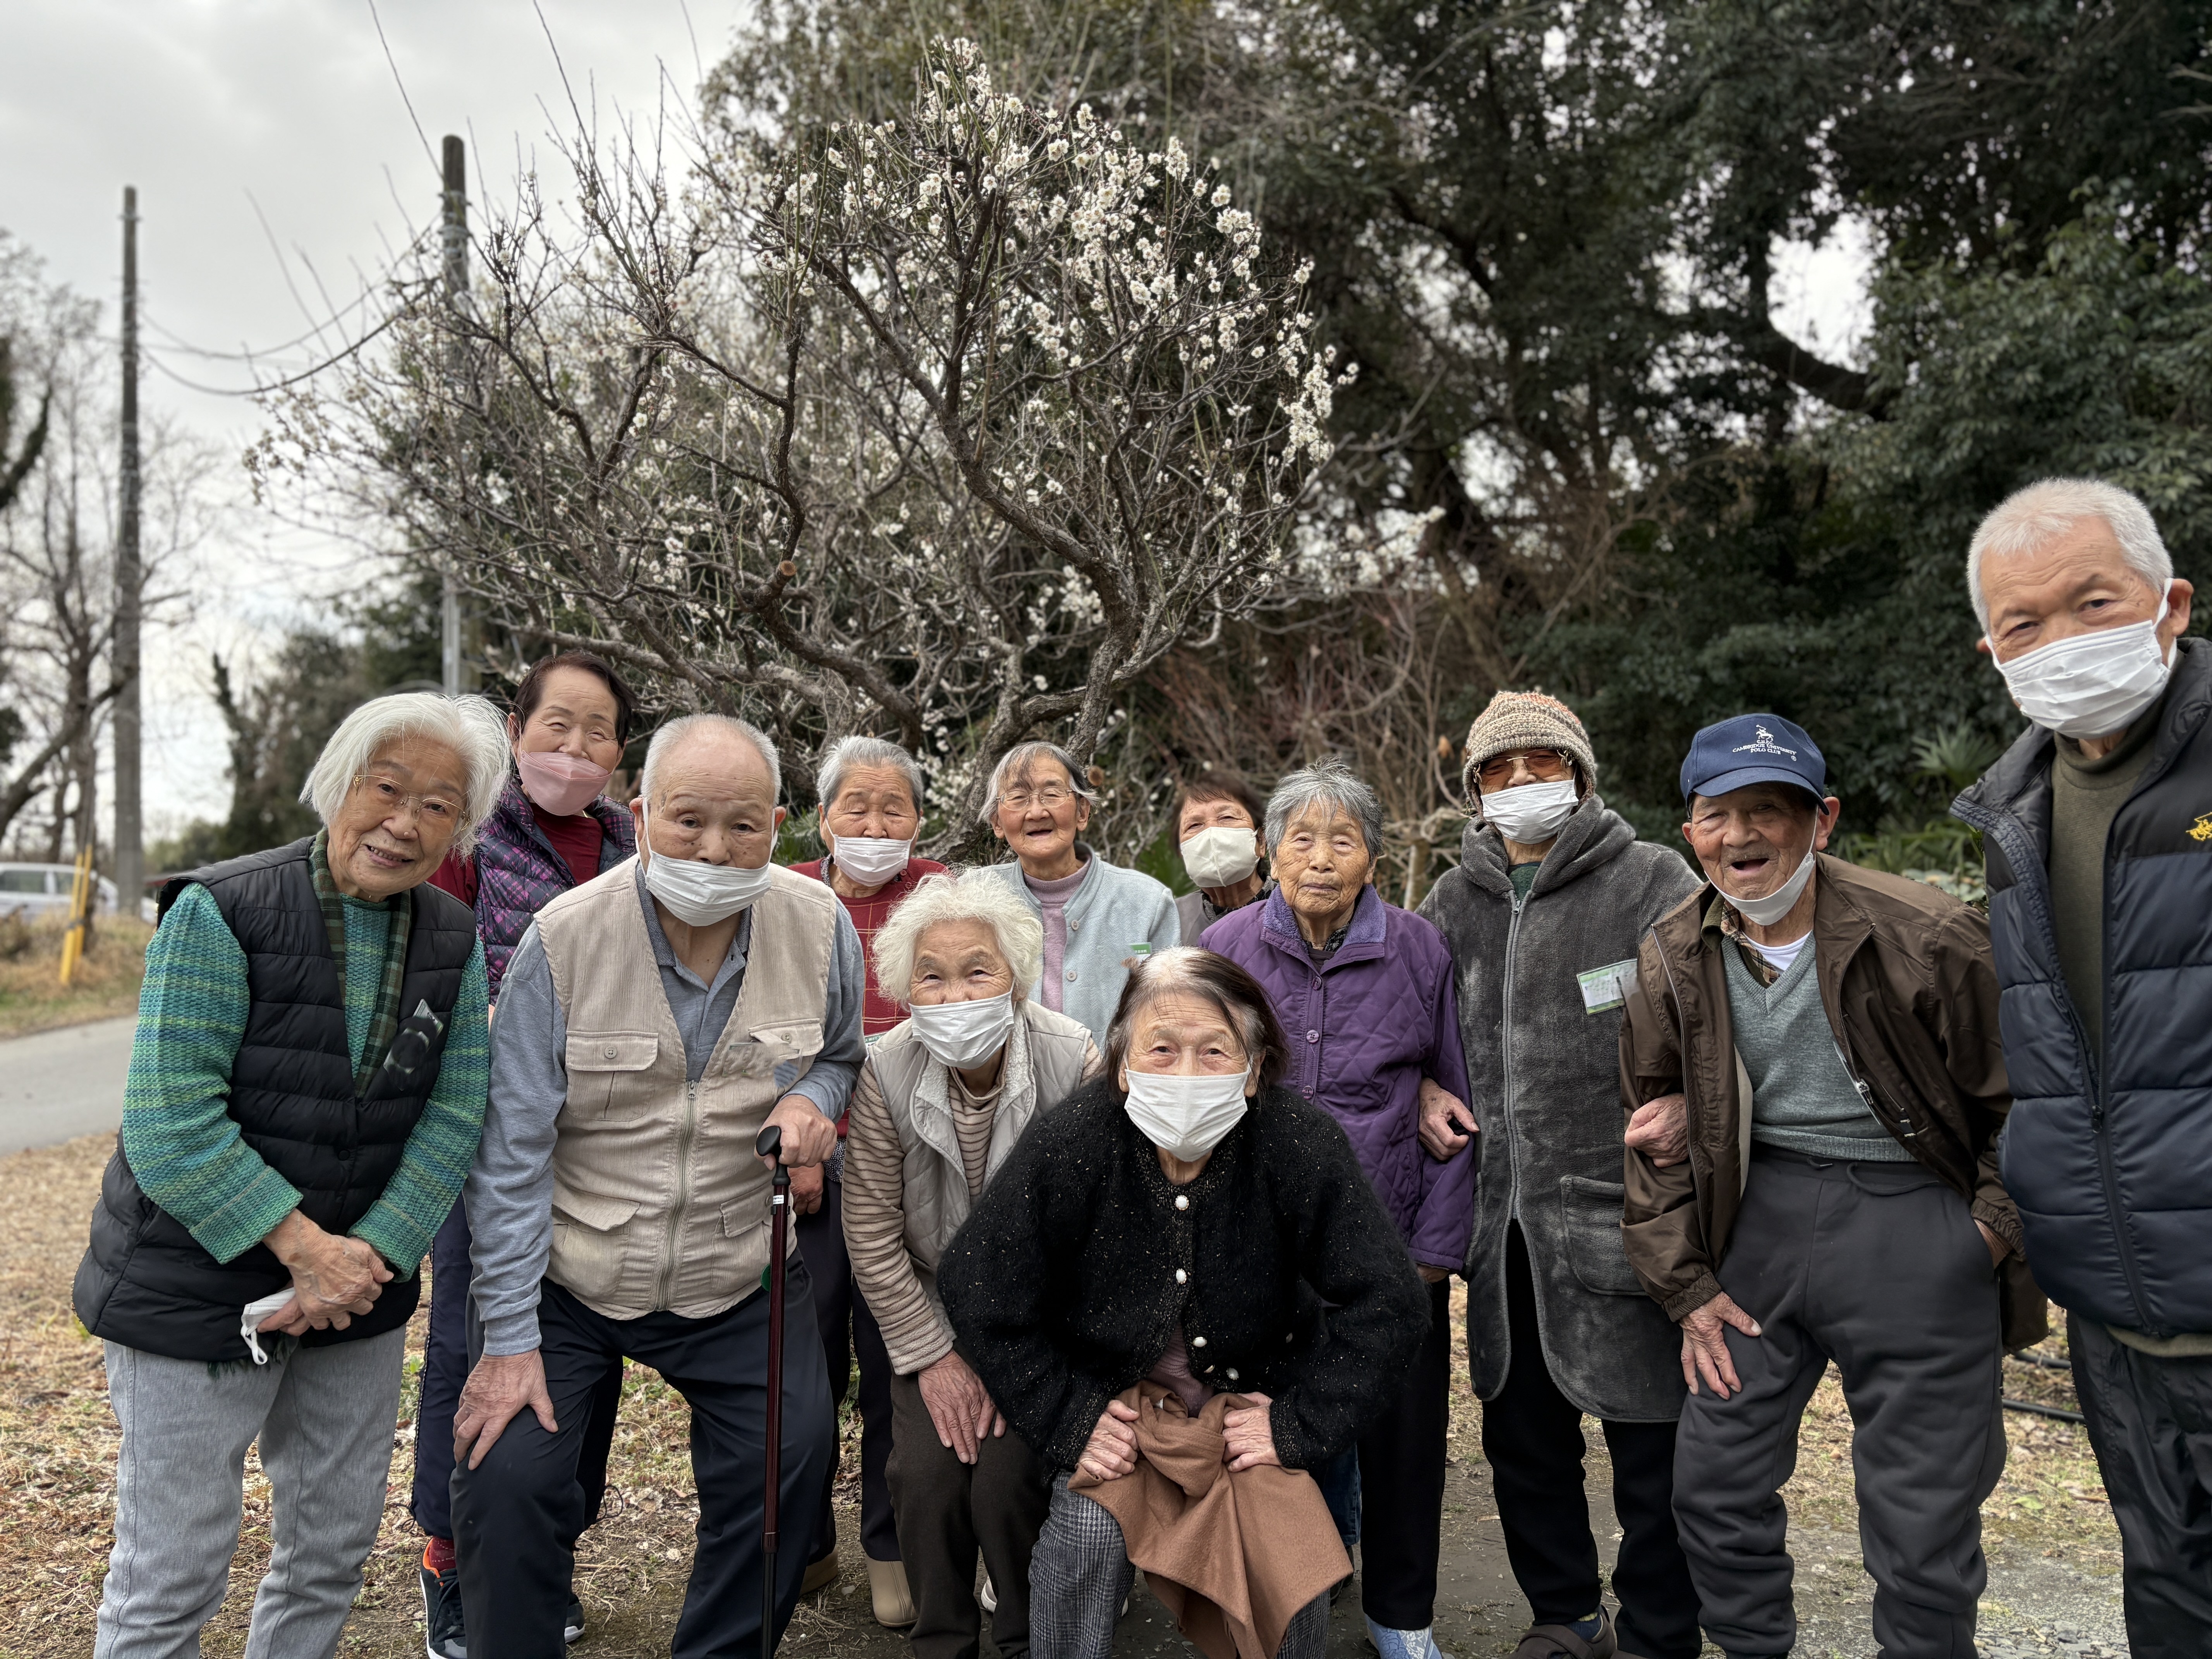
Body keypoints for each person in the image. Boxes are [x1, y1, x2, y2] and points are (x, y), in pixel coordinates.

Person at [75, 691, 508, 1657]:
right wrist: (304, 1251)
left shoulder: (451, 936)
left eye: (439, 806)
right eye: (384, 787)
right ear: (336, 783)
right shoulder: (222, 909)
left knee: (331, 1551)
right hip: (191, 1290)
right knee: (173, 1571)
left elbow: (454, 1113)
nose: (404, 822)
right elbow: (171, 1119)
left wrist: (366, 1259)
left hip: (358, 1296)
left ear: (463, 828)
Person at [1618, 713, 2039, 1659]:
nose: (1742, 837)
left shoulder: (1929, 935)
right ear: (1689, 828)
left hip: (1913, 1222)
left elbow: (2027, 1100)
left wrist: (1984, 1236)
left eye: (1771, 811)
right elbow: (1650, 1138)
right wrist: (1686, 1288)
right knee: (1714, 1488)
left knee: (1922, 1514)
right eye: (1718, 814)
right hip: (1755, 1221)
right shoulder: (1672, 954)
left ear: (1824, 820)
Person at [449, 713, 866, 1659]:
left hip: (739, 1268)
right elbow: (512, 1151)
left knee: (791, 1466)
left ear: (780, 825)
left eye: (743, 825)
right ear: (640, 815)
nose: (715, 850)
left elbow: (840, 1056)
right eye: (687, 821)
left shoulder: (820, 925)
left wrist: (813, 1100)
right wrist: (509, 1339)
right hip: (574, 1272)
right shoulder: (564, 939)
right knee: (506, 1474)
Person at [938, 948, 1432, 1659]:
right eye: (1161, 1050)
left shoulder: (1295, 1141)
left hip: (1248, 1410)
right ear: (1121, 1063)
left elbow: (1388, 1302)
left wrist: (1298, 1423)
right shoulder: (1078, 1139)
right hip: (1120, 1406)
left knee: (1290, 1562)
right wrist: (1069, 1413)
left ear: (1255, 1068)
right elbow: (976, 1283)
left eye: (1215, 1051)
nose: (1187, 1074)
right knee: (1085, 1535)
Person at [1950, 477, 2209, 1656]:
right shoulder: (2011, 815)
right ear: (1990, 652)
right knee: (2165, 1596)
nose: (2057, 641)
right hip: (2115, 1323)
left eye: (2088, 601)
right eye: (2022, 623)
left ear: (2167, 605)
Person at [1417, 691, 1701, 1659]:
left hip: (1626, 1213)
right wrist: (1419, 1087)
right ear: (1475, 791)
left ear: (1581, 776)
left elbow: (1715, 1025)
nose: (1521, 784)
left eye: (1542, 764)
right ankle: (1566, 1616)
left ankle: (1661, 1626)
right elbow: (1404, 1026)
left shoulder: (1653, 880)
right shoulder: (1450, 901)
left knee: (1650, 1439)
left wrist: (1693, 1109)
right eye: (1498, 770)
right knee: (1525, 1441)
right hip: (1501, 1230)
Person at [1200, 756, 1476, 1659]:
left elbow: (1456, 1098)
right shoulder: (1229, 947)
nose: (1321, 857)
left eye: (1344, 839)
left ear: (1373, 858)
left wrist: (1433, 1256)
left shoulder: (1419, 947)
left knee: (1402, 1443)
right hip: (1260, 1242)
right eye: (1302, 838)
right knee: (1273, 1430)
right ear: (1272, 851)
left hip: (1388, 1243)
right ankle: (1288, 1602)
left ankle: (1402, 1618)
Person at [414, 649, 641, 1655]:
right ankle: (451, 1560)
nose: (577, 748)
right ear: (516, 729)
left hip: (605, 1150)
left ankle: (543, 1552)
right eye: (559, 725)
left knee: (585, 1345)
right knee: (473, 1341)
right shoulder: (472, 841)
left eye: (599, 731)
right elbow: (435, 976)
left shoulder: (638, 848)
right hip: (487, 1138)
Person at [841, 869, 1101, 1659]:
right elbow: (873, 1233)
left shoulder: (1073, 1060)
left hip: (1041, 1328)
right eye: (933, 976)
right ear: (905, 990)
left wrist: (1011, 1356)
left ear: (1017, 977)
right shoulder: (885, 1069)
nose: (955, 995)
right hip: (935, 1318)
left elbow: (1091, 1238)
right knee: (923, 1477)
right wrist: (939, 1358)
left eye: (977, 970)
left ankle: (1030, 1637)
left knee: (1004, 1481)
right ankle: (942, 1641)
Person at [787, 734, 948, 1623]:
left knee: (898, 1354)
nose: (876, 825)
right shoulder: (791, 896)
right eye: (858, 807)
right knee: (805, 1353)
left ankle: (893, 1542)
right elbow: (767, 1027)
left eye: (895, 809)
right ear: (824, 816)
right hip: (808, 1159)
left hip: (910, 1164)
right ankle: (806, 1540)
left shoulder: (942, 892)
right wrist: (806, 1143)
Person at [975, 740, 1179, 1045]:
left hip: (1112, 1089)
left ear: (1083, 811)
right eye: (1018, 798)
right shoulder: (974, 898)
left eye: (1052, 794)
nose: (1036, 811)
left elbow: (1169, 1014)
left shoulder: (1147, 902)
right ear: (997, 823)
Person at [1173, 771, 1269, 942]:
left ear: (1261, 842)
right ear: (1183, 852)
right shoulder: (1170, 921)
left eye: (1227, 817)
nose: (1212, 833)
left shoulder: (1298, 908)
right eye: (1194, 825)